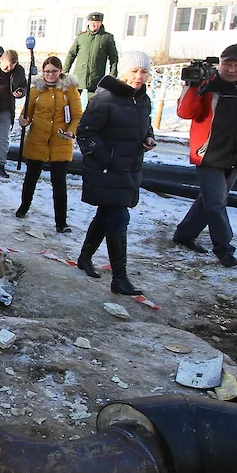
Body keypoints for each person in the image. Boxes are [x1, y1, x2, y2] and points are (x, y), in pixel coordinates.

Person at [173, 44, 237, 267]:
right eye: (227, 64)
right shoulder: (207, 83)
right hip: (209, 153)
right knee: (216, 202)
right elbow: (185, 112)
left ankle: (184, 234)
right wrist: (191, 86)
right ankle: (224, 249)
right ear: (220, 64)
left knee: (210, 200)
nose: (232, 69)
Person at [75, 50, 157, 295]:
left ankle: (84, 257)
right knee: (119, 218)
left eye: (143, 72)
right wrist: (108, 159)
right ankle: (119, 278)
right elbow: (85, 133)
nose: (138, 77)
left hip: (129, 168)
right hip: (107, 169)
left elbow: (144, 125)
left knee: (107, 214)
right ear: (123, 72)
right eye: (134, 71)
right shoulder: (105, 98)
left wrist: (148, 138)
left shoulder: (142, 99)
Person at [15, 56, 81, 233]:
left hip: (60, 142)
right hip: (37, 139)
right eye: (46, 71)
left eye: (53, 71)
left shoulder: (70, 90)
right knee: (30, 178)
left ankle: (61, 222)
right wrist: (23, 121)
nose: (50, 75)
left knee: (59, 183)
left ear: (60, 72)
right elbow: (26, 114)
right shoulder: (36, 89)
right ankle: (24, 207)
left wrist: (71, 131)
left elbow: (77, 115)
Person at [0, 49, 28, 178]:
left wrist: (21, 91)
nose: (9, 69)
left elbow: (24, 85)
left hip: (4, 111)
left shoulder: (18, 71)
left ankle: (0, 165)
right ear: (1, 59)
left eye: (12, 66)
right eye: (7, 65)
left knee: (3, 140)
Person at [64, 12, 120, 94]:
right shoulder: (81, 37)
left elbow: (113, 57)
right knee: (75, 102)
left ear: (101, 23)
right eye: (92, 23)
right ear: (89, 23)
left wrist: (112, 75)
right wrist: (64, 72)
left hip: (96, 78)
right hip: (80, 77)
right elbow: (71, 55)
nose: (94, 25)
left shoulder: (107, 38)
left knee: (94, 103)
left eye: (97, 23)